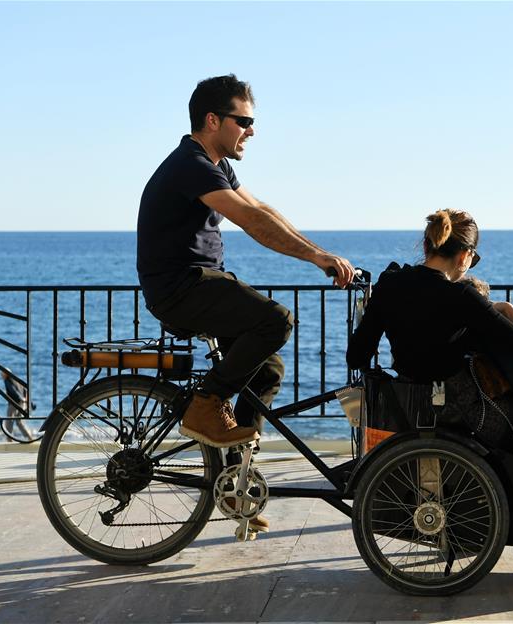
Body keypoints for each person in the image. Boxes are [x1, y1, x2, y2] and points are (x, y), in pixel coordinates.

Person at [137, 74, 355, 451]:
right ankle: (206, 406)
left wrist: (321, 255)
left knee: (268, 369)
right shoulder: (190, 164)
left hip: (197, 284)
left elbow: (261, 208)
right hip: (182, 288)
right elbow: (249, 220)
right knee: (276, 320)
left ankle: (237, 475)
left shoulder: (215, 164)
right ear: (212, 121)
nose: (251, 131)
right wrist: (316, 257)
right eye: (244, 121)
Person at [346, 209, 513, 450]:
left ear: (426, 246)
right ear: (464, 256)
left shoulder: (389, 284)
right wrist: (509, 310)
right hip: (457, 413)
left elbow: (356, 356)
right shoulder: (461, 296)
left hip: (406, 406)